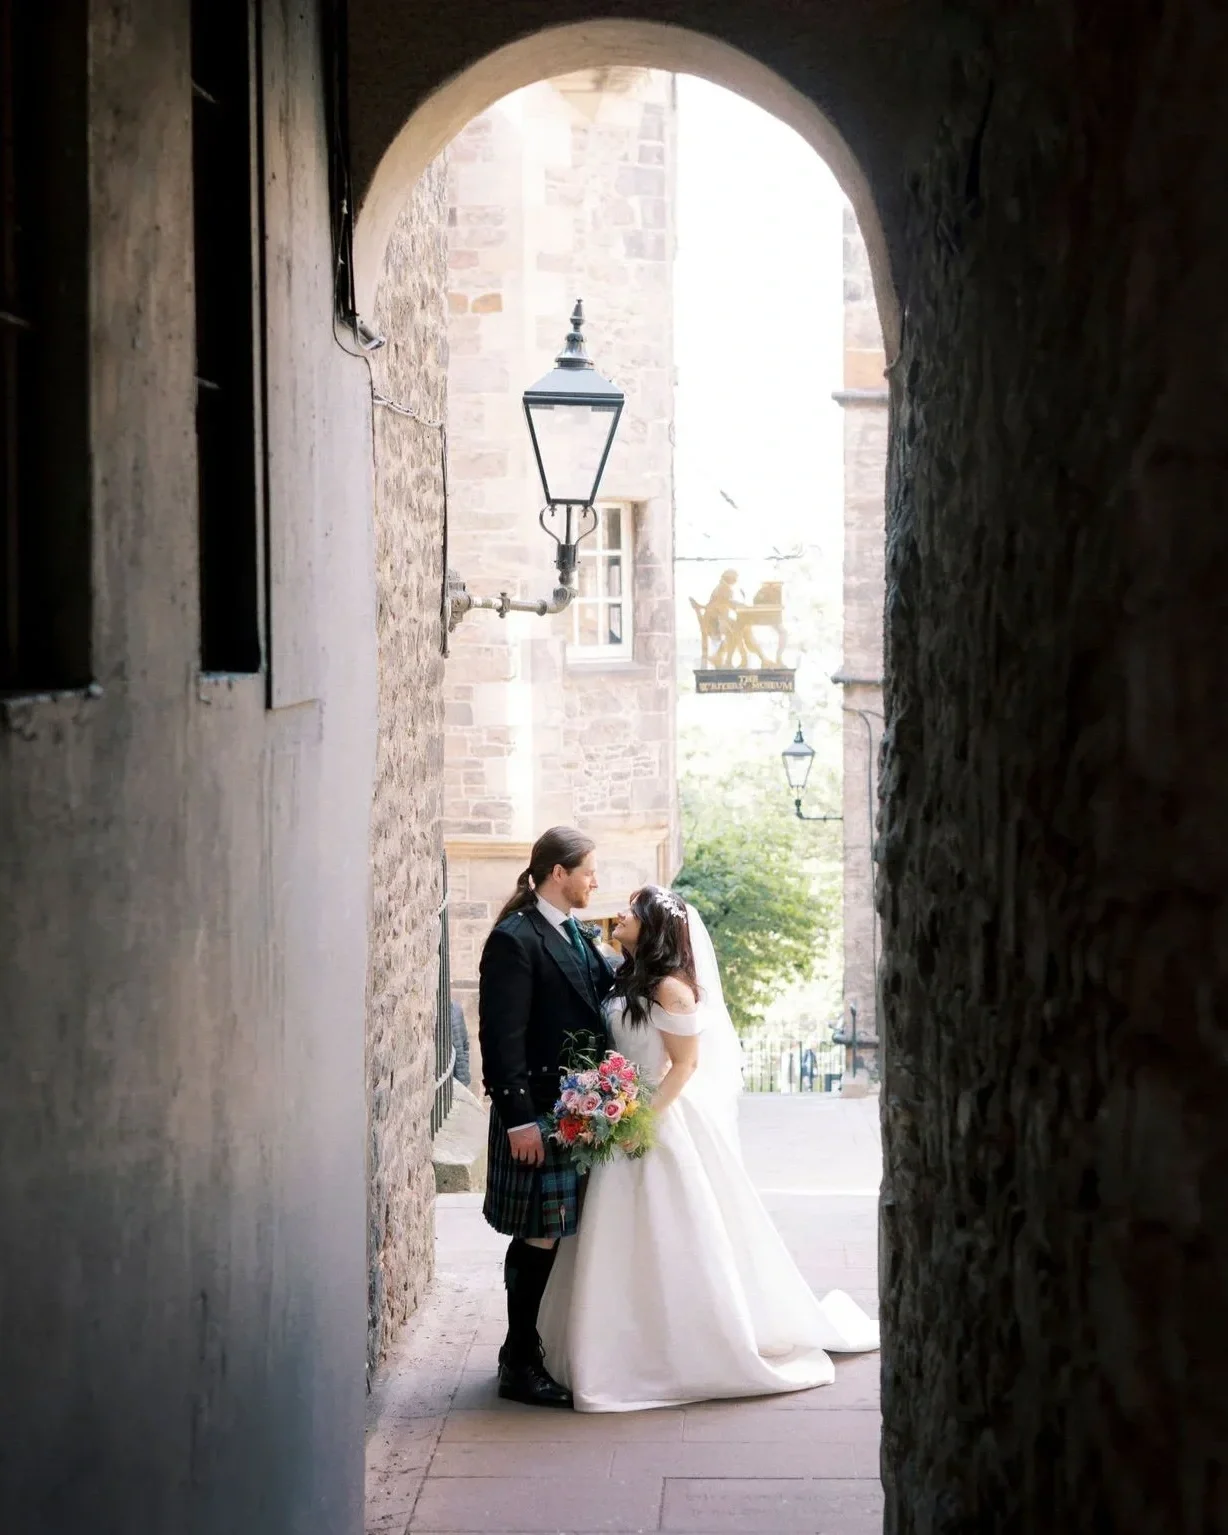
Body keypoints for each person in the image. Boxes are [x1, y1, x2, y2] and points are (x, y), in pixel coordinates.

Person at [537, 884, 880, 1412]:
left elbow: (684, 1066)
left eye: (632, 911)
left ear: (652, 928)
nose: (620, 916)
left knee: (676, 1232)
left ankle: (689, 1347)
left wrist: (637, 1122)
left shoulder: (673, 988)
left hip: (660, 1122)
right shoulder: (626, 976)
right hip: (623, 1115)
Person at [477, 826, 615, 1408]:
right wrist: (518, 1119)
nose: (595, 880)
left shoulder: (577, 934)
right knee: (538, 1233)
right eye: (587, 871)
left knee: (546, 1235)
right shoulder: (516, 938)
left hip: (574, 1111)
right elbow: (500, 1036)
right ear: (558, 873)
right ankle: (520, 1362)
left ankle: (520, 1352)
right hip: (537, 1112)